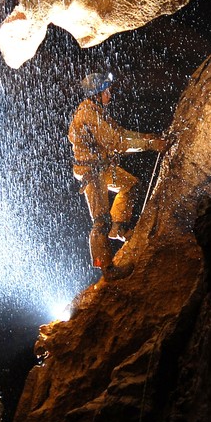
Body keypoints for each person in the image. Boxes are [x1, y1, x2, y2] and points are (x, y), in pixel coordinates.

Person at [68, 72, 167, 281]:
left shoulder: (96, 110)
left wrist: (148, 138)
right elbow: (117, 142)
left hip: (101, 167)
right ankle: (106, 268)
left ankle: (119, 227)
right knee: (100, 221)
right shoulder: (89, 114)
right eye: (106, 91)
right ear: (97, 93)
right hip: (91, 172)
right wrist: (149, 145)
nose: (110, 94)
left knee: (130, 185)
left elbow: (120, 133)